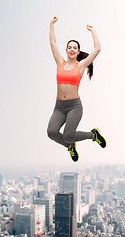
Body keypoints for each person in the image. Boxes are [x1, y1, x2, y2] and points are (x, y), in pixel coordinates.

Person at [47, 16, 106, 162]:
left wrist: (93, 31)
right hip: (59, 107)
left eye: (75, 47)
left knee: (68, 135)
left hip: (74, 106)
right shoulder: (59, 62)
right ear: (66, 50)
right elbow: (53, 43)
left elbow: (97, 49)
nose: (72, 49)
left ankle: (94, 135)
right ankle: (70, 147)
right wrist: (52, 24)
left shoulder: (80, 66)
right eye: (69, 47)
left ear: (78, 52)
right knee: (52, 132)